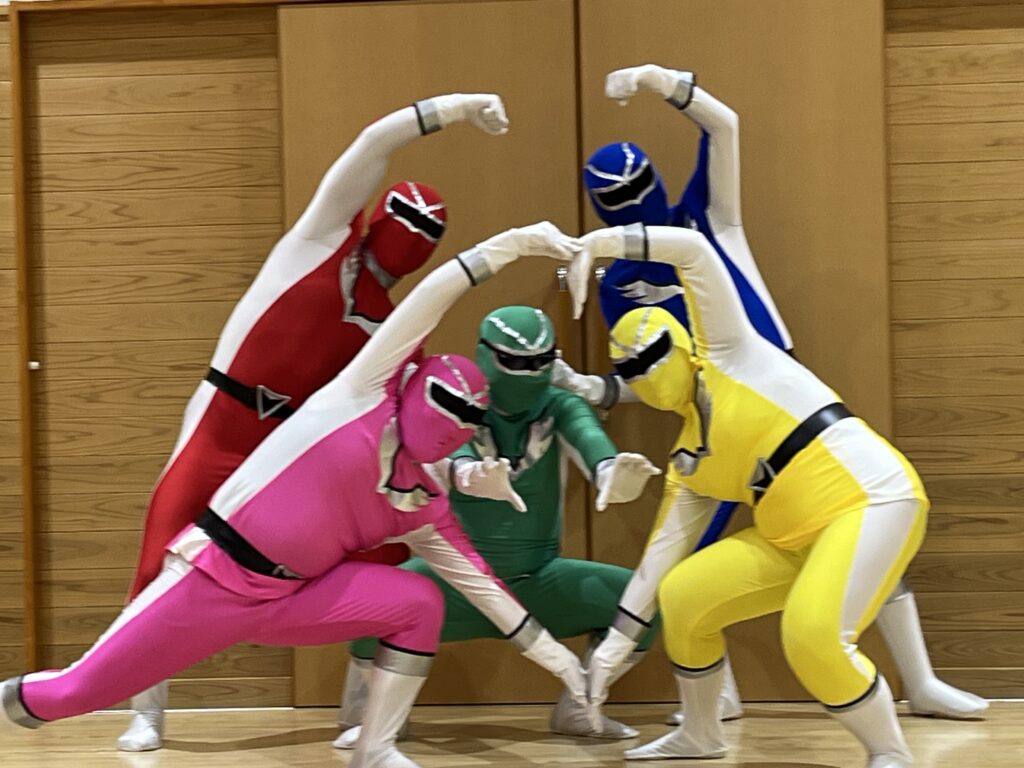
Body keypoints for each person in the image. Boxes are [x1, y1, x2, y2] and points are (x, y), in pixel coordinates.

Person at [1, 223, 588, 768]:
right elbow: (434, 294)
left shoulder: (421, 504)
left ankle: (376, 750)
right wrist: (515, 243)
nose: (454, 422)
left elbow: (481, 585)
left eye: (468, 417)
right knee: (71, 692)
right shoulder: (362, 392)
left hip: (295, 599)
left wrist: (556, 658)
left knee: (418, 602)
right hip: (211, 579)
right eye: (447, 404)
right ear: (417, 384)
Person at [567, 63, 986, 723]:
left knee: (855, 518)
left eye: (637, 186)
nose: (630, 201)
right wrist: (591, 386)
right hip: (711, 426)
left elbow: (724, 127)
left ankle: (920, 680)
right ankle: (715, 693)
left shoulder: (704, 223)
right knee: (689, 562)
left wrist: (661, 80)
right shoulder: (616, 283)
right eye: (613, 197)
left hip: (780, 392)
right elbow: (646, 375)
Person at [117, 92, 512, 751]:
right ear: (381, 212)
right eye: (409, 216)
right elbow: (373, 143)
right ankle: (146, 712)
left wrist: (469, 473)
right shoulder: (318, 241)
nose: (416, 235)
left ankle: (362, 713)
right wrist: (457, 107)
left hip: (290, 454)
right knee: (162, 550)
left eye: (430, 231)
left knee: (385, 555)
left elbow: (415, 425)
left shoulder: (400, 328)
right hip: (223, 419)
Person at [566, 221, 929, 767]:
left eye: (654, 354)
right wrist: (614, 646)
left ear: (682, 344)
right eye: (631, 370)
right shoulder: (690, 461)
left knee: (813, 635)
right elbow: (658, 561)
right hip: (791, 536)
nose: (647, 373)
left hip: (870, 498)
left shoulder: (731, 352)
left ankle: (889, 752)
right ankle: (700, 733)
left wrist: (600, 243)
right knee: (683, 594)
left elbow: (693, 250)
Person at [336, 305, 661, 749]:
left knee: (640, 605)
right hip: (454, 580)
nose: (530, 373)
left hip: (537, 580)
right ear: (486, 355)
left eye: (542, 361)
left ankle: (580, 707)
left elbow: (590, 439)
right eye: (516, 361)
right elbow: (450, 453)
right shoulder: (460, 402)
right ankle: (372, 717)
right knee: (369, 605)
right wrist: (469, 474)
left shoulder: (560, 405)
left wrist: (611, 473)